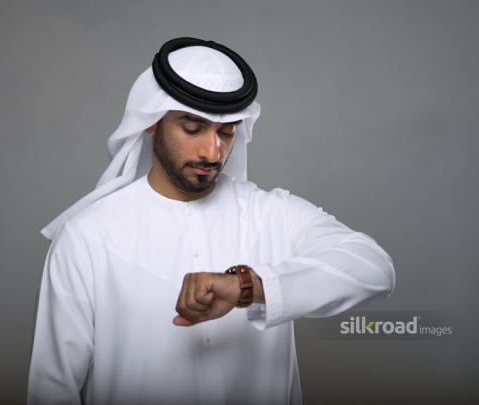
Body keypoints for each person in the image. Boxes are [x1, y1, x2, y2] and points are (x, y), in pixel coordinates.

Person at [27, 37, 395, 405]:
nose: (212, 151)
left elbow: (374, 268)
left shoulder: (272, 214)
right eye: (192, 128)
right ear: (152, 122)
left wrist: (248, 286)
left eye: (226, 132)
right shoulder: (88, 236)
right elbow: (51, 390)